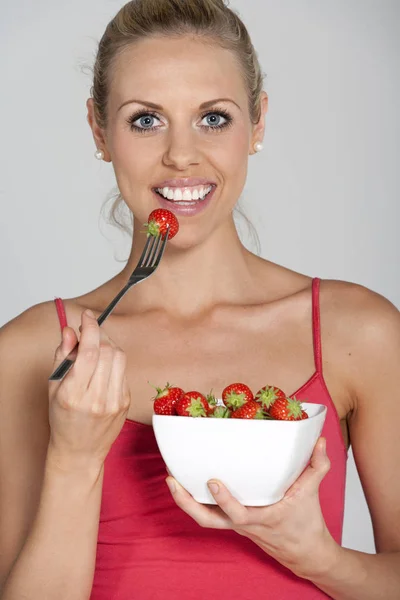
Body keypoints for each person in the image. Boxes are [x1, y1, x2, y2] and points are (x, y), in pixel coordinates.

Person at [0, 0, 399, 598]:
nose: (181, 155)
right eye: (145, 120)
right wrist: (75, 460)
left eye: (213, 118)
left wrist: (318, 558)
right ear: (98, 130)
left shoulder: (358, 333)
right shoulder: (33, 350)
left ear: (258, 123)